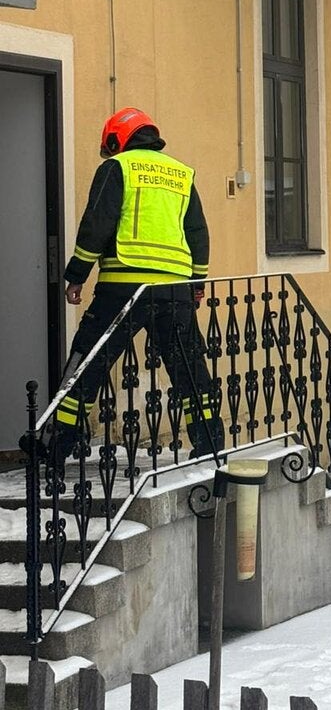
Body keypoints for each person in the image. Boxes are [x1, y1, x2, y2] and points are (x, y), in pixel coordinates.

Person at [30, 107, 223, 467]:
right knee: (188, 366)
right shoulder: (181, 174)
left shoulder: (117, 168)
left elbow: (97, 224)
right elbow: (197, 231)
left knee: (88, 360)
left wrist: (77, 274)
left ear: (117, 139)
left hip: (123, 286)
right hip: (175, 289)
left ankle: (54, 444)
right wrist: (197, 282)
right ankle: (211, 443)